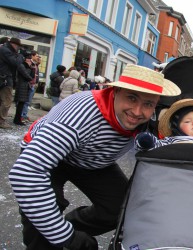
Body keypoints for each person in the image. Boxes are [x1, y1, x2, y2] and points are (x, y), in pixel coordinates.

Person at [8, 64, 181, 249]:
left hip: (92, 160)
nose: (137, 112)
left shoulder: (149, 121)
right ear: (115, 92)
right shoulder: (80, 115)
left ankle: (62, 228)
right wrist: (67, 238)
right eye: (131, 98)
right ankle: (49, 238)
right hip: (51, 159)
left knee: (122, 209)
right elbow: (25, 174)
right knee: (40, 214)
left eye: (148, 104)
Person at [0, 37, 23, 129]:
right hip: (5, 78)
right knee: (7, 101)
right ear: (14, 45)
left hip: (4, 77)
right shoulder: (6, 50)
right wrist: (20, 56)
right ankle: (1, 121)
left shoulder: (4, 49)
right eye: (18, 46)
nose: (18, 48)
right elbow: (16, 63)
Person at [13, 53, 34, 125]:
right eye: (29, 59)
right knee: (20, 104)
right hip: (21, 86)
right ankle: (17, 119)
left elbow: (32, 76)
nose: (30, 61)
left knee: (22, 103)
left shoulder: (28, 66)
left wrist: (31, 67)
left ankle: (17, 119)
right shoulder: (22, 66)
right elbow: (27, 76)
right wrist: (29, 68)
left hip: (25, 86)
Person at [21, 50, 40, 123]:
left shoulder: (35, 64)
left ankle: (24, 114)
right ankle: (23, 115)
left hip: (32, 84)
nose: (38, 57)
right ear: (32, 56)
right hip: (29, 84)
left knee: (28, 102)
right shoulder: (29, 64)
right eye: (36, 56)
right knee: (26, 101)